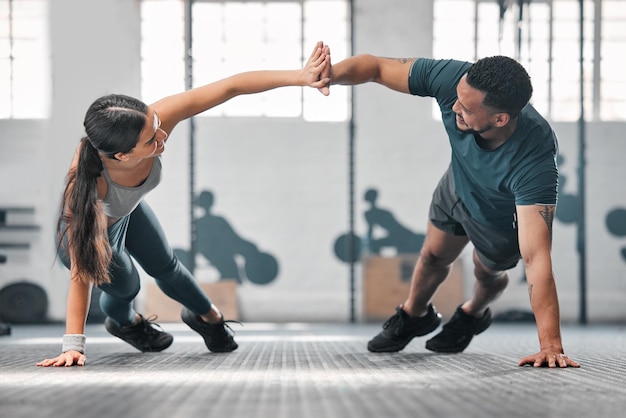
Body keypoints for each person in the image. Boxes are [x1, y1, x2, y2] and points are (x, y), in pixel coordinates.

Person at [36, 42, 330, 367]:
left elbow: (229, 87)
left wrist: (300, 77)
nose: (162, 136)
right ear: (121, 156)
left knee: (167, 266)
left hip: (126, 213)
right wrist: (72, 345)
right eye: (151, 140)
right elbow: (80, 277)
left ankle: (210, 318)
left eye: (157, 126)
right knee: (127, 286)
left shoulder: (152, 123)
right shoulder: (88, 190)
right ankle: (125, 322)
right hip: (92, 233)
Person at [318, 48, 580, 368]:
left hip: (502, 215)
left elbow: (537, 257)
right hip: (458, 184)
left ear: (500, 119)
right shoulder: (456, 81)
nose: (454, 106)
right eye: (457, 97)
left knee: (486, 271)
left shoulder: (534, 160)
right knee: (432, 255)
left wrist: (551, 345)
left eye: (467, 108)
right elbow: (374, 67)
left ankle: (472, 314)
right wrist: (328, 73)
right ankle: (414, 314)